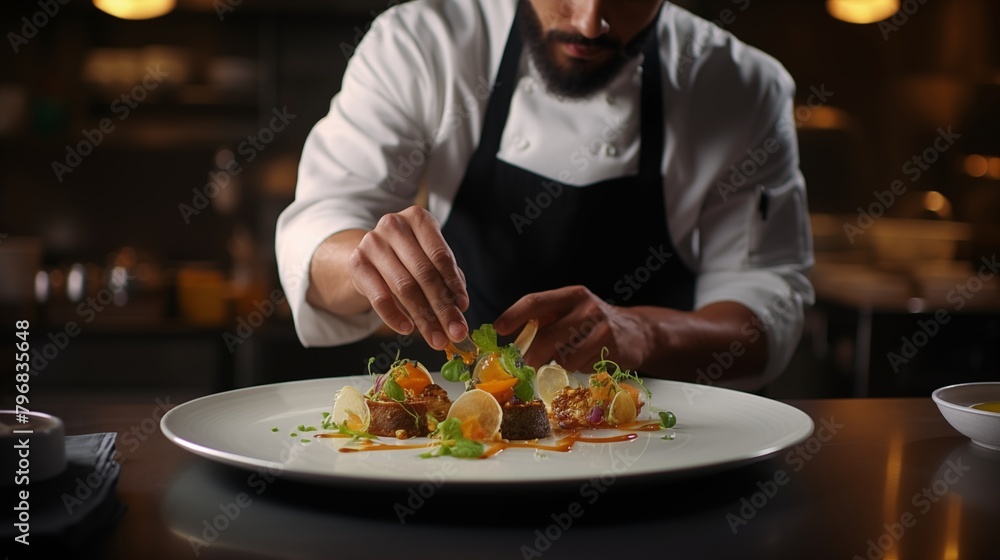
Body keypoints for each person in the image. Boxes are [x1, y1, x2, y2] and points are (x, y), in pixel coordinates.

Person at [275, 0, 814, 391]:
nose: (589, 22)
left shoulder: (741, 86)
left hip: (653, 443)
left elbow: (766, 305)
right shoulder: (422, 42)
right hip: (460, 442)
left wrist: (646, 334)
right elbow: (320, 227)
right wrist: (366, 261)